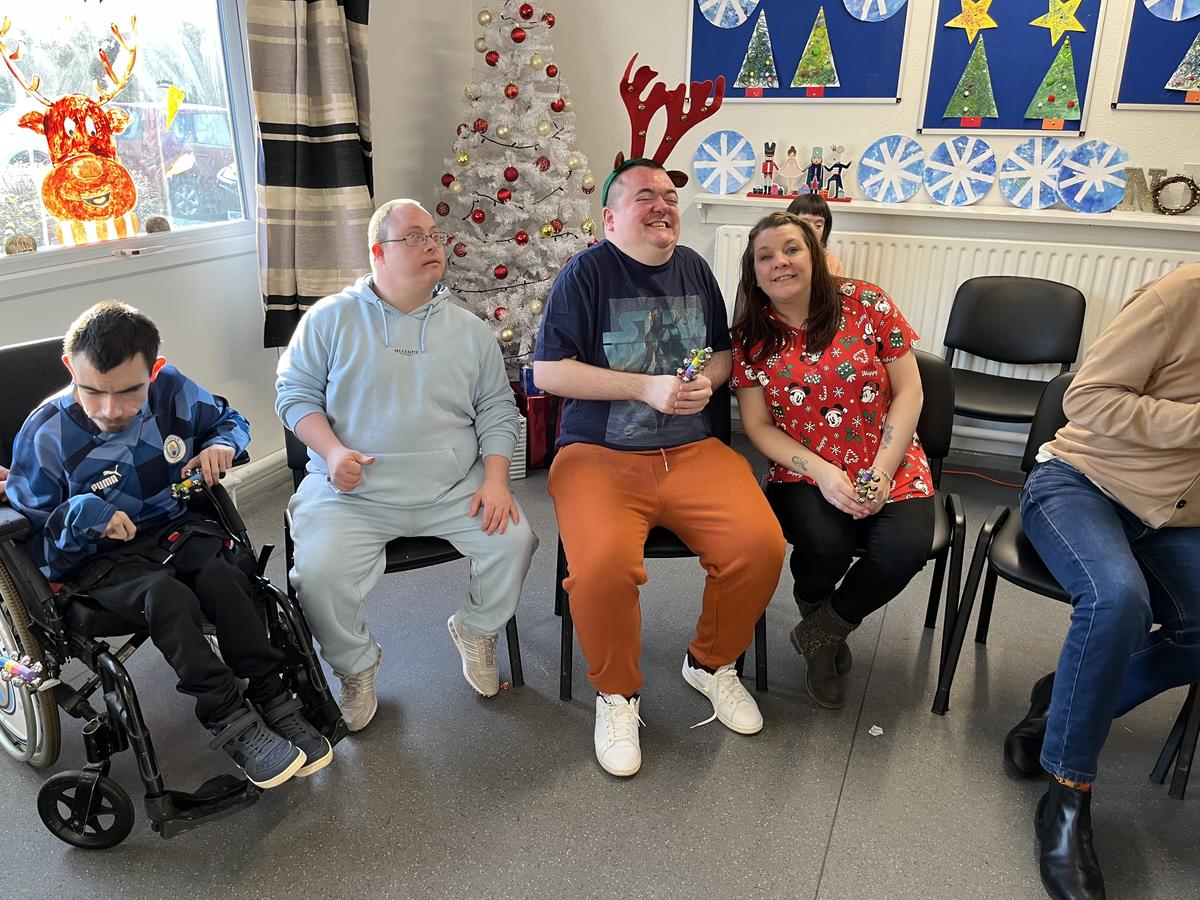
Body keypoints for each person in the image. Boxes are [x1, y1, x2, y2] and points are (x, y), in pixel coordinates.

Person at [6, 301, 331, 789]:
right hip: (96, 559)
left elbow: (228, 419)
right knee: (168, 596)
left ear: (154, 371)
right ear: (70, 368)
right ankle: (229, 717)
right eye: (92, 391)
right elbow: (39, 547)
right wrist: (85, 516)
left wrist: (223, 443)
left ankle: (272, 697)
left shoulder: (174, 389)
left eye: (129, 391)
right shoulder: (44, 433)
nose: (110, 410)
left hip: (174, 527)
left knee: (226, 574)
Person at [533, 158, 786, 777]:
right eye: (644, 195)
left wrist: (706, 381)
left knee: (762, 546)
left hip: (692, 450)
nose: (661, 205)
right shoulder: (584, 274)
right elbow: (547, 373)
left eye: (669, 197)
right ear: (612, 216)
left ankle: (708, 663)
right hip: (598, 455)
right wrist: (642, 387)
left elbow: (724, 356)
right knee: (601, 572)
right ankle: (617, 694)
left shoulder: (695, 269)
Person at [277, 198, 538, 733]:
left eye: (435, 235)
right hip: (353, 493)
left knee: (515, 540)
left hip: (452, 488)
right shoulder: (329, 320)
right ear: (378, 253)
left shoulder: (469, 331)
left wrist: (495, 479)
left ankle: (475, 629)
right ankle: (356, 667)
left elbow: (496, 408)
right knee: (319, 575)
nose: (432, 245)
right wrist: (330, 452)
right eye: (414, 237)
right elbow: (294, 395)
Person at [1003, 263, 1200, 900]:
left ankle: (1061, 698)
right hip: (1081, 484)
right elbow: (1085, 397)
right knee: (1116, 601)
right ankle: (1066, 797)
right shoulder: (1182, 294)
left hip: (1177, 516)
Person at [731, 211, 933, 709]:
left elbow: (910, 392)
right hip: (802, 469)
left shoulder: (867, 303)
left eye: (792, 249)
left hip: (889, 458)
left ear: (815, 256)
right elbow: (757, 427)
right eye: (765, 256)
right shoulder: (750, 338)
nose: (780, 262)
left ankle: (821, 632)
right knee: (825, 546)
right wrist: (822, 473)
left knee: (904, 550)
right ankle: (820, 611)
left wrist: (882, 472)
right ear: (753, 275)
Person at [787, 193, 845, 276]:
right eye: (805, 223)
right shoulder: (781, 258)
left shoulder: (833, 263)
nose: (812, 230)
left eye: (818, 225)